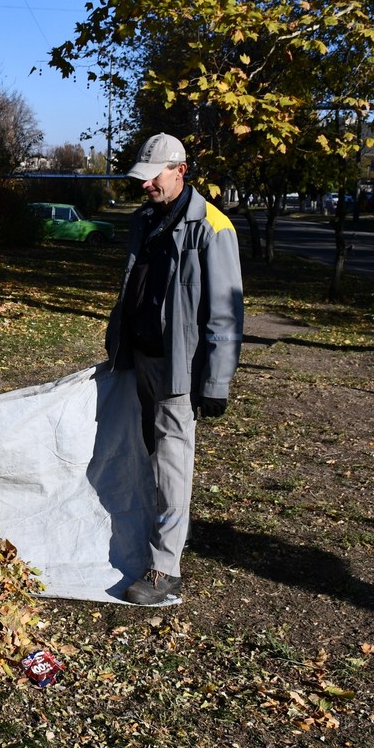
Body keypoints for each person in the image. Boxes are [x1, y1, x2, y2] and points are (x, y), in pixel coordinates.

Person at [105, 132, 243, 607]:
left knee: (171, 464)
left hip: (178, 369)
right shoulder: (146, 220)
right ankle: (149, 538)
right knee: (145, 455)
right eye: (141, 179)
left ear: (181, 170)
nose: (145, 186)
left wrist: (217, 380)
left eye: (153, 177)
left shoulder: (212, 226)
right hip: (138, 358)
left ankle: (165, 568)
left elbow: (225, 312)